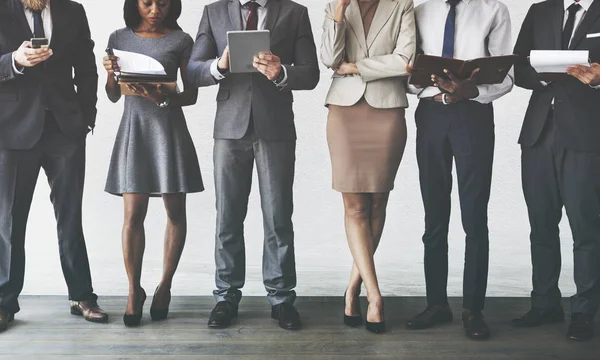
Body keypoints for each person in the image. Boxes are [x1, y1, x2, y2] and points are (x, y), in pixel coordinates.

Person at [187, 0, 319, 330]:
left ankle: (281, 298)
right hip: (229, 128)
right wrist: (219, 65)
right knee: (227, 216)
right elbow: (192, 70)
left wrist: (282, 71)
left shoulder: (295, 13)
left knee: (278, 216)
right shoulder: (213, 12)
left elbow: (312, 73)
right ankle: (226, 296)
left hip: (275, 126)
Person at [405, 0, 513, 340]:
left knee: (474, 217)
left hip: (473, 117)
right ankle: (437, 304)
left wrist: (469, 91)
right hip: (432, 116)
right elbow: (408, 73)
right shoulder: (420, 11)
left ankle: (473, 309)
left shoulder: (494, 10)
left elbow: (505, 77)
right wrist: (433, 88)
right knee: (434, 216)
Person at [0, 0, 108, 332]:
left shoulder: (72, 11)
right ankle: (4, 302)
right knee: (9, 222)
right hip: (13, 130)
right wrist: (14, 61)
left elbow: (87, 68)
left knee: (71, 215)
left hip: (65, 129)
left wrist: (86, 119)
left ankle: (82, 295)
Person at [103, 0, 204, 327]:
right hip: (135, 130)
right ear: (135, 4)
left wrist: (162, 95)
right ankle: (134, 290)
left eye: (163, 2)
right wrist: (109, 74)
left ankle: (165, 285)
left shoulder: (181, 39)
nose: (155, 8)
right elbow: (113, 95)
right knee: (133, 214)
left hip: (168, 130)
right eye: (147, 2)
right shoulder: (119, 37)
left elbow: (192, 95)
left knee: (175, 211)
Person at [320, 0, 415, 334]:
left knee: (377, 204)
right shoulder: (336, 5)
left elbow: (405, 62)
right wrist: (339, 13)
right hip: (345, 113)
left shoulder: (403, 4)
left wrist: (355, 67)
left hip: (387, 110)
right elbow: (330, 60)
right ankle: (375, 296)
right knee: (355, 206)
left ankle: (353, 287)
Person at [511, 0, 600, 342]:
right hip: (538, 134)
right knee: (541, 225)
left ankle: (584, 310)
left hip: (585, 136)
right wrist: (544, 78)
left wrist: (595, 81)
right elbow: (519, 67)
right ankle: (545, 303)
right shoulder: (541, 11)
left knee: (585, 227)